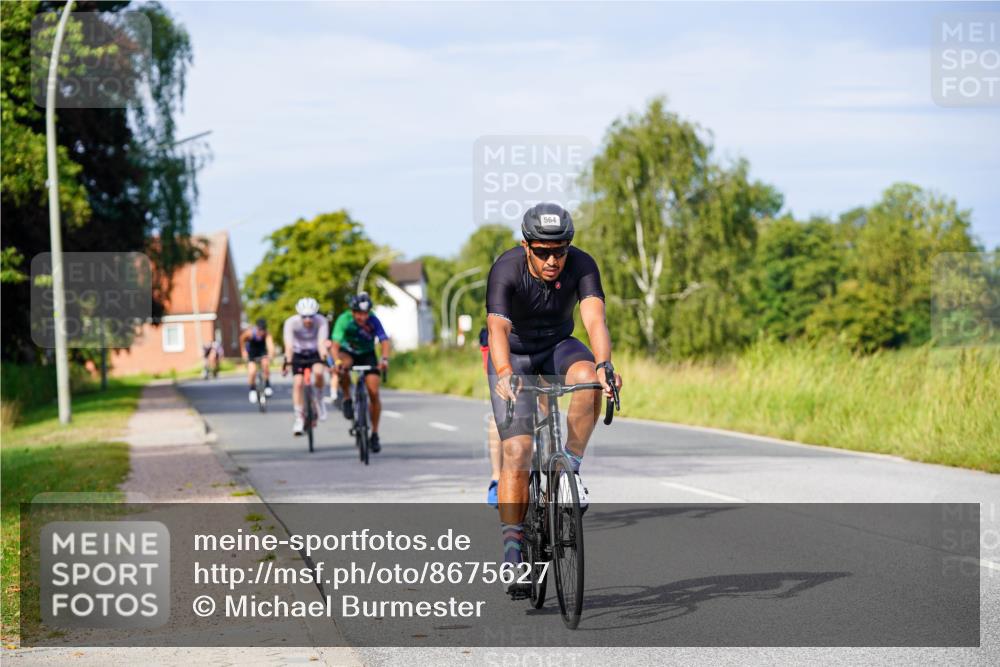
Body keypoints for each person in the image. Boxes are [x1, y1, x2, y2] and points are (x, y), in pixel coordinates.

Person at [485, 202, 622, 599]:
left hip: (559, 346)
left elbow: (595, 318)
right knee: (519, 450)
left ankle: (570, 473)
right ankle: (513, 548)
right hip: (516, 354)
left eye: (559, 250)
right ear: (526, 246)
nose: (552, 259)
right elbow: (497, 329)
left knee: (589, 381)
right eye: (543, 251)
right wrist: (506, 372)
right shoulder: (506, 268)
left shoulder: (582, 264)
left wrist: (604, 365)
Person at [329, 292, 390, 453]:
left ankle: (375, 434)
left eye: (365, 313)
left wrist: (384, 359)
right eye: (358, 314)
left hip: (367, 354)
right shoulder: (344, 320)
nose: (362, 317)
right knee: (343, 366)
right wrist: (336, 362)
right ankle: (347, 397)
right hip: (348, 353)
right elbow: (334, 346)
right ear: (353, 312)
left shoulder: (373, 320)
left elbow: (384, 340)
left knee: (374, 392)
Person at [282, 297, 330, 435]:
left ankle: (319, 400)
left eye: (311, 316)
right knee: (298, 383)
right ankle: (299, 418)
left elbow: (322, 344)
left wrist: (325, 359)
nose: (308, 320)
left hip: (315, 351)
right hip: (298, 352)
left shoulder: (321, 321)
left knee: (319, 373)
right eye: (304, 317)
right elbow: (289, 346)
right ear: (299, 315)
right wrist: (286, 363)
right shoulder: (291, 323)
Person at [240, 318, 275, 403]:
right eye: (260, 330)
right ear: (257, 328)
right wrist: (243, 351)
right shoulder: (250, 333)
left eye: (263, 330)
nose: (261, 332)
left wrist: (271, 355)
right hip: (252, 351)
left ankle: (267, 385)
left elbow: (270, 346)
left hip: (262, 351)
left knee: (265, 364)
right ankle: (252, 389)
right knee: (252, 371)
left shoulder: (267, 334)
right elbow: (242, 339)